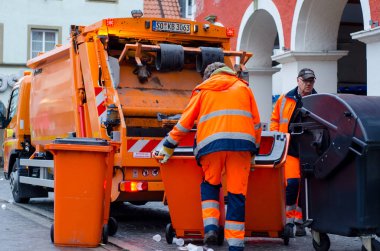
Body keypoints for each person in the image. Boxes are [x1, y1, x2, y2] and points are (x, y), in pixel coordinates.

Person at [158, 62, 262, 251]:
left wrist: (168, 145)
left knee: (211, 185)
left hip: (211, 147)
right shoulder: (244, 89)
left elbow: (185, 123)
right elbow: (256, 123)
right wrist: (254, 151)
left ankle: (211, 229)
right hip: (241, 148)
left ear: (209, 76)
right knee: (237, 195)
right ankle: (236, 245)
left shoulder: (203, 90)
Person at [270, 68, 317, 237]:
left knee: (306, 187)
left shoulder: (319, 101)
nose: (308, 84)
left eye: (311, 81)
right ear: (298, 81)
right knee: (292, 184)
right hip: (289, 149)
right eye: (305, 81)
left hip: (310, 151)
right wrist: (277, 138)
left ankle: (299, 221)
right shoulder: (285, 98)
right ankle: (288, 220)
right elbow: (275, 119)